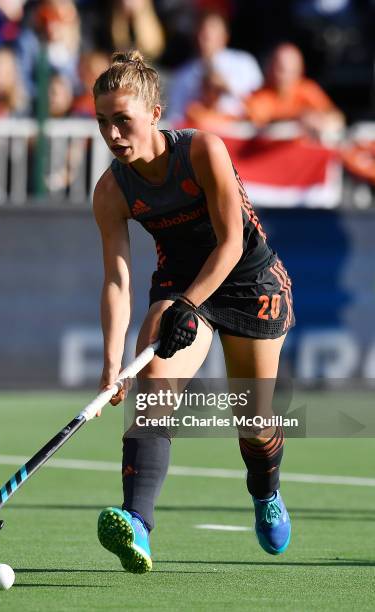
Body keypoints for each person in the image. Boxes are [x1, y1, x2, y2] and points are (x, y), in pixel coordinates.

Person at [92, 50, 294, 574]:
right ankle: (137, 523)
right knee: (152, 389)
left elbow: (231, 243)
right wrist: (112, 361)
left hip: (248, 281)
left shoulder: (203, 150)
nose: (113, 135)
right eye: (102, 122)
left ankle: (265, 491)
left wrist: (188, 306)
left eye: (122, 120)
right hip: (180, 280)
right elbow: (117, 279)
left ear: (155, 114)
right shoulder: (112, 189)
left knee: (252, 421)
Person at [167, 11, 263, 123]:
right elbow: (175, 116)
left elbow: (260, 101)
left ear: (224, 36)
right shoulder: (183, 74)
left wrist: (228, 87)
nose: (203, 41)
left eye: (209, 36)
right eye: (201, 34)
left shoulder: (245, 63)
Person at [245, 43, 345, 140]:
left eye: (291, 70)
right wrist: (298, 118)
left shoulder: (307, 90)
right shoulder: (259, 96)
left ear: (300, 70)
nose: (285, 75)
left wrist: (321, 121)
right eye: (280, 68)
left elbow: (336, 117)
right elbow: (259, 127)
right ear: (270, 67)